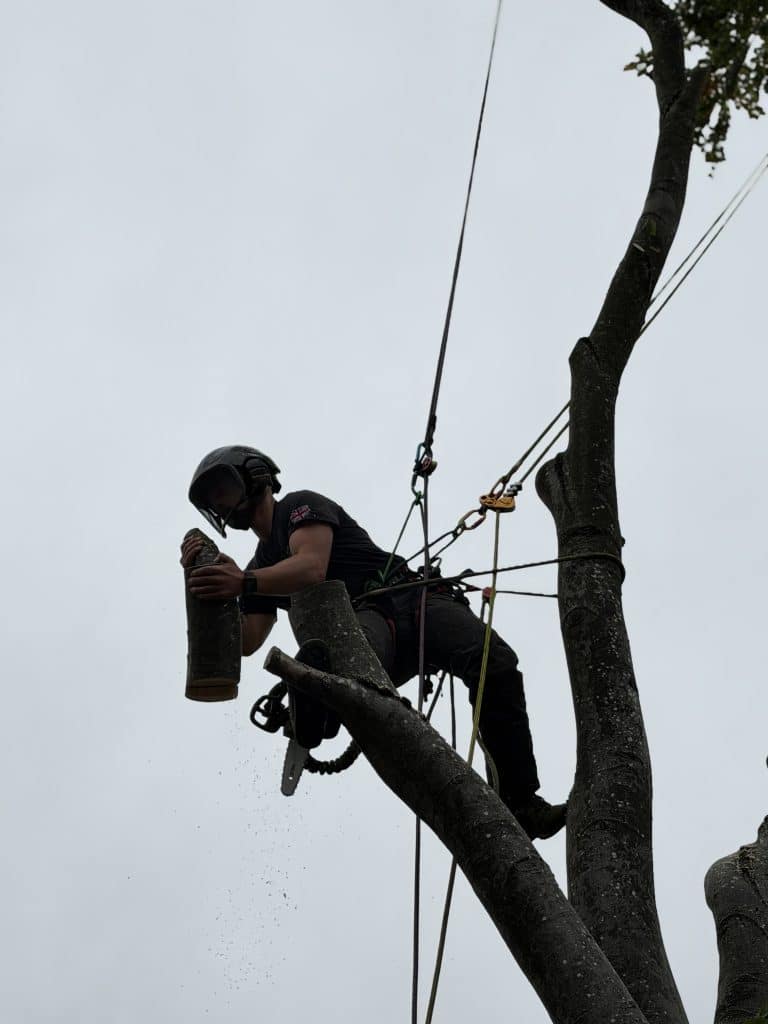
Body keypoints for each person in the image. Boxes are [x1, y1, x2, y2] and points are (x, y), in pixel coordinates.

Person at [182, 445, 566, 840]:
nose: (220, 503)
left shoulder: (299, 507)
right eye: (212, 501)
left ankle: (520, 801)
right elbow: (248, 640)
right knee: (342, 662)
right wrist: (211, 591)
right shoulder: (258, 569)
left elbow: (311, 566)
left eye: (222, 489)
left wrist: (242, 582)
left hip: (410, 599)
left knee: (494, 662)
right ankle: (319, 702)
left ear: (253, 475)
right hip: (366, 626)